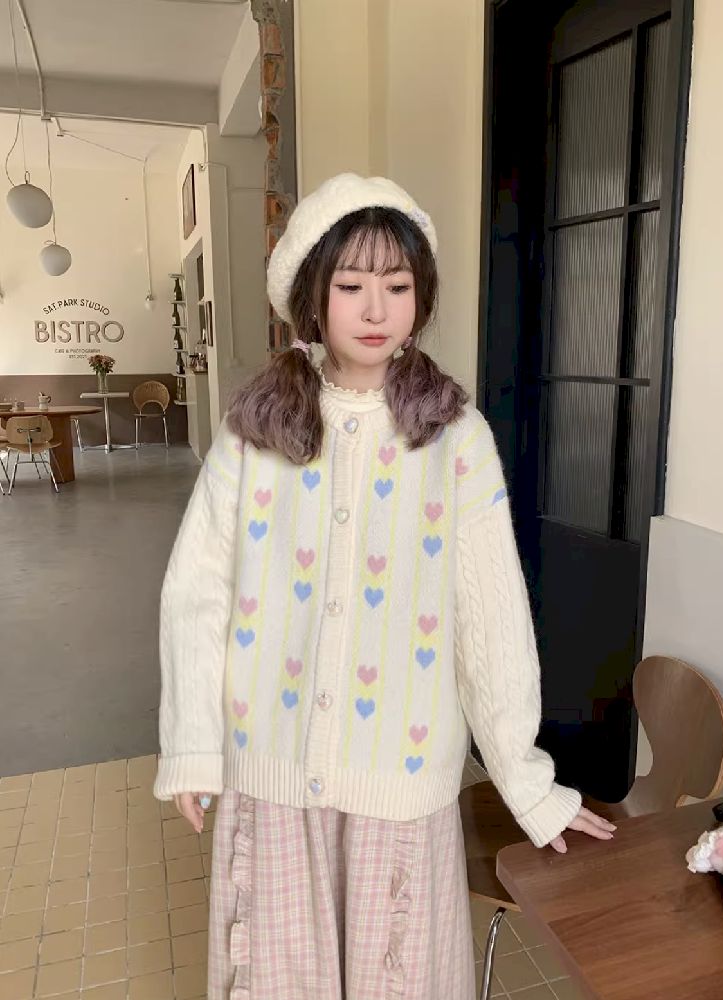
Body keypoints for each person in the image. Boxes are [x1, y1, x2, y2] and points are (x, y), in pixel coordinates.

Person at [154, 173, 615, 1000]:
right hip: (270, 766)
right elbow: (198, 590)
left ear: (420, 295)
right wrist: (194, 743)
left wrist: (526, 780)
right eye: (351, 286)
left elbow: (490, 616)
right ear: (312, 293)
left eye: (398, 287)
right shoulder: (254, 430)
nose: (376, 310)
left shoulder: (453, 437)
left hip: (401, 777)